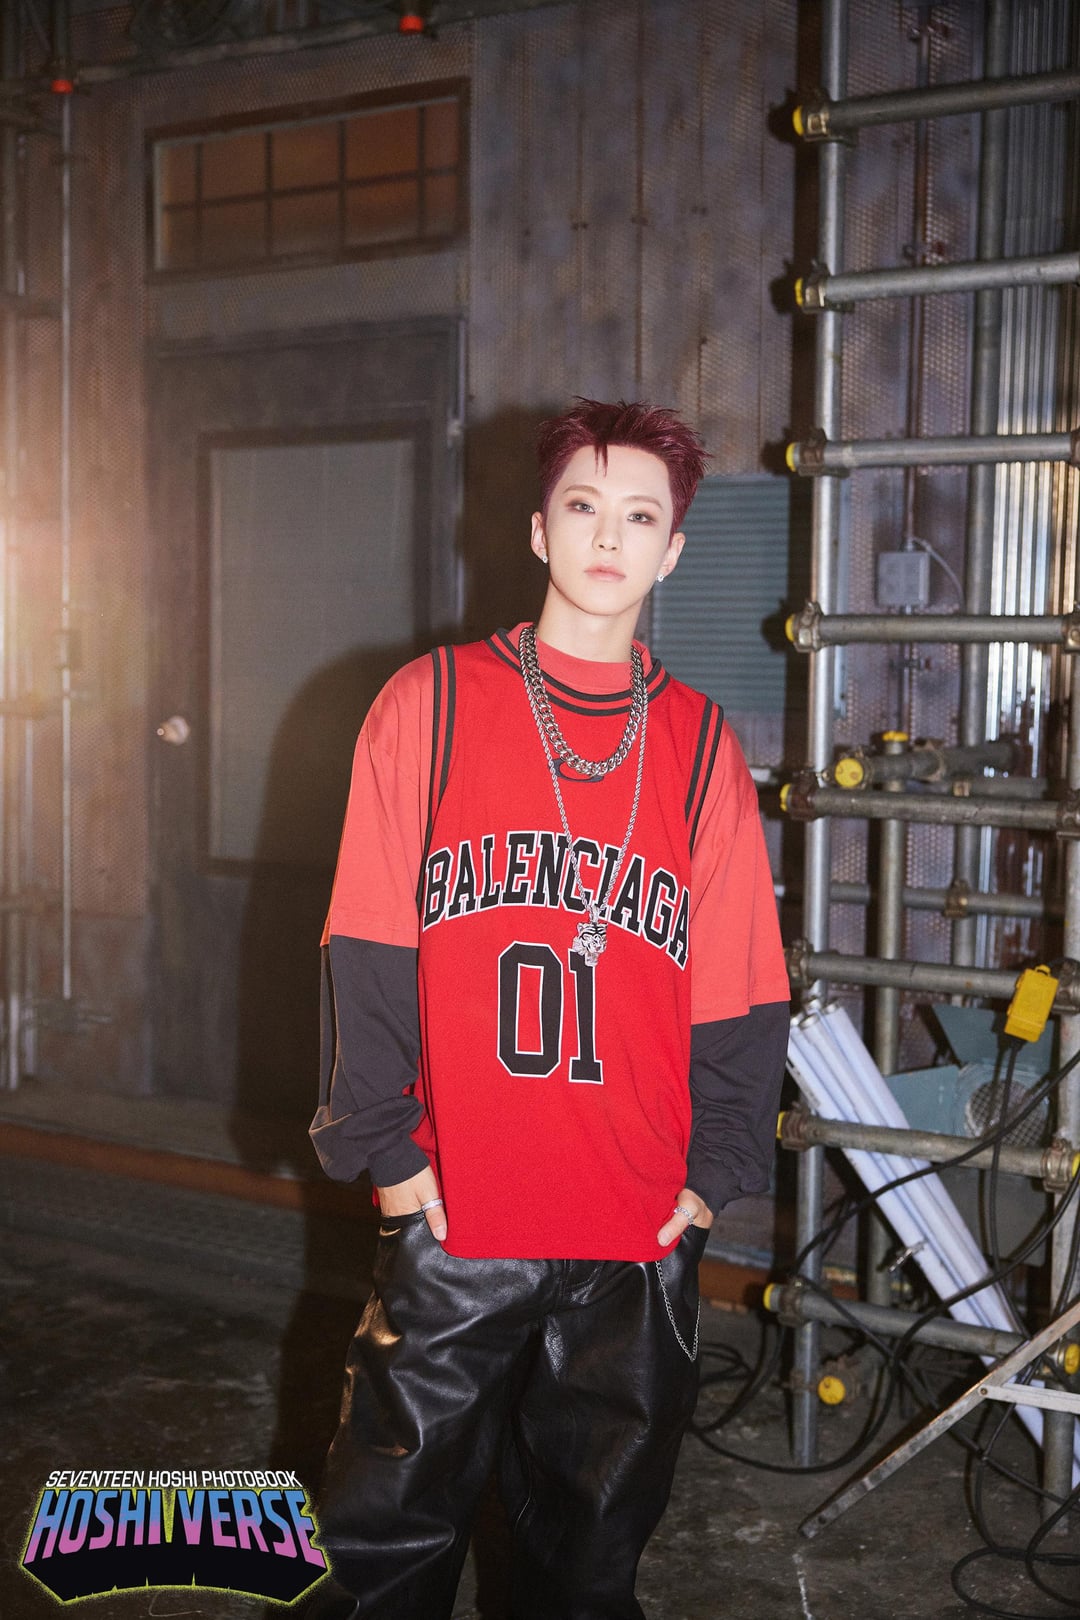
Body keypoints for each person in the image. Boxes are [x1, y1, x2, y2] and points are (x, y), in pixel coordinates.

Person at [308, 398, 790, 1620]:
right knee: (381, 1557)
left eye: (641, 517)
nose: (609, 537)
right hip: (461, 1211)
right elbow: (365, 941)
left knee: (583, 1573)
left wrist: (712, 1174)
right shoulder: (430, 703)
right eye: (584, 506)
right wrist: (390, 1158)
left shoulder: (700, 746)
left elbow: (741, 980)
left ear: (674, 550)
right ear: (538, 529)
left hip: (633, 1226)